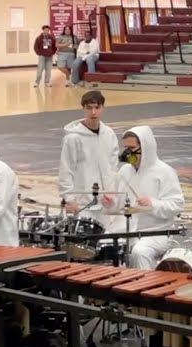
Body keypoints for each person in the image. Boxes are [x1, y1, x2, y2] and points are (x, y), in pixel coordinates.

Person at [102, 126, 185, 270]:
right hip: (124, 230)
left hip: (155, 232)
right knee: (99, 245)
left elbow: (177, 205)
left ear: (145, 147)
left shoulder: (164, 172)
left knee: (140, 252)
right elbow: (121, 206)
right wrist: (111, 203)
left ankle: (144, 287)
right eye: (125, 147)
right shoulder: (124, 171)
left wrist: (153, 204)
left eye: (132, 148)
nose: (127, 153)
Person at [57, 90, 118, 224]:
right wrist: (69, 198)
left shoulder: (109, 134)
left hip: (104, 202)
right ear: (83, 109)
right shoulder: (73, 138)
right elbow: (66, 169)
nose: (93, 112)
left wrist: (111, 191)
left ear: (103, 108)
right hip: (81, 204)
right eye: (89, 108)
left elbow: (113, 167)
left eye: (97, 107)